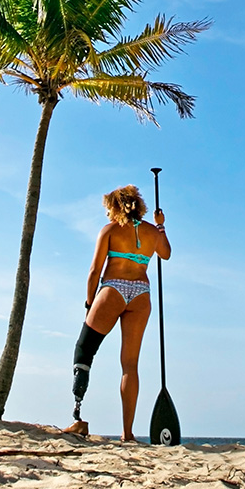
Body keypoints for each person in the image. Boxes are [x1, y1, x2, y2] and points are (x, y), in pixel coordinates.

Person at [64, 184, 170, 442]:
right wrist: (160, 226)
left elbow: (94, 272)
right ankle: (128, 433)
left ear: (116, 206)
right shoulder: (151, 232)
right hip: (141, 294)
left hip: (113, 289)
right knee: (130, 365)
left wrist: (91, 304)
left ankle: (78, 418)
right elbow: (166, 254)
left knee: (84, 350)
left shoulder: (110, 230)